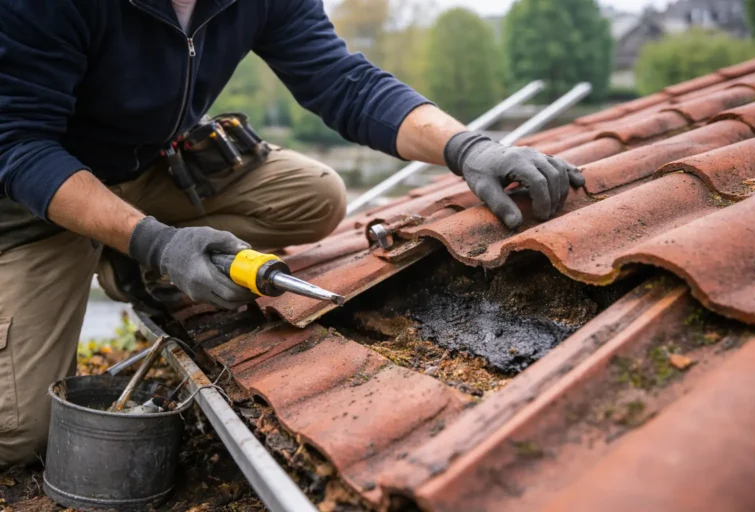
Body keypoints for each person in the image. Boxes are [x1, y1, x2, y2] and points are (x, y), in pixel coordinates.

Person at [0, 0, 585, 466]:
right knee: (20, 435)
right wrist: (157, 240)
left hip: (147, 168)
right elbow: (20, 145)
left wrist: (467, 147)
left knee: (316, 196)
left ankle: (126, 259)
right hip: (38, 196)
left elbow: (341, 80)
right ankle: (126, 244)